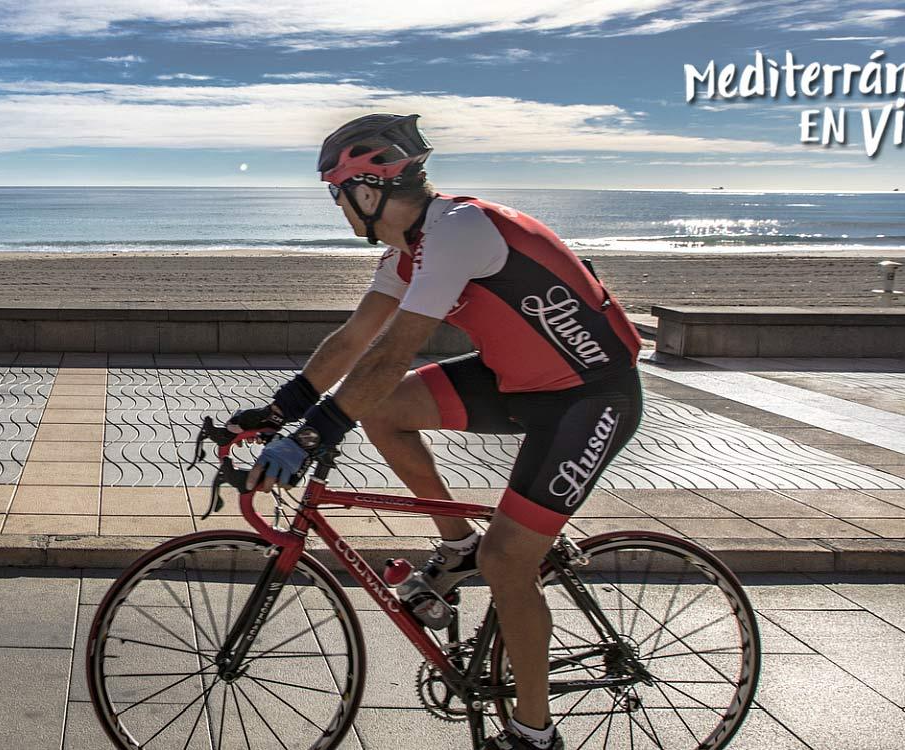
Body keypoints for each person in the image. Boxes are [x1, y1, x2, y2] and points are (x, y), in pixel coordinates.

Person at [240, 113, 645, 750]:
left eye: (336, 194)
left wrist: (312, 436)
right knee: (386, 408)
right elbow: (352, 341)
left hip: (590, 397)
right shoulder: (408, 252)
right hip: (517, 379)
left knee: (509, 559)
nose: (338, 208)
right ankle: (457, 546)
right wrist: (275, 411)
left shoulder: (457, 229)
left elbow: (393, 350)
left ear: (367, 191)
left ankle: (533, 734)